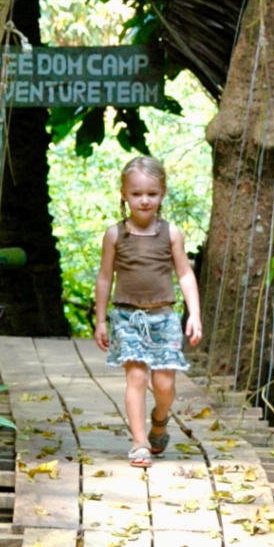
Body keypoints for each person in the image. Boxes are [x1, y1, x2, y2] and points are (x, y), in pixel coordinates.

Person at [92, 154, 203, 467]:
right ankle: (139, 442)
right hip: (127, 316)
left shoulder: (171, 234)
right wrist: (101, 320)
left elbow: (184, 274)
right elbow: (104, 277)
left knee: (165, 385)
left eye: (151, 194)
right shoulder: (115, 235)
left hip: (164, 317)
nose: (144, 201)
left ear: (162, 194)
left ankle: (159, 420)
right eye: (136, 194)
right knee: (137, 378)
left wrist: (193, 314)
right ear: (124, 195)